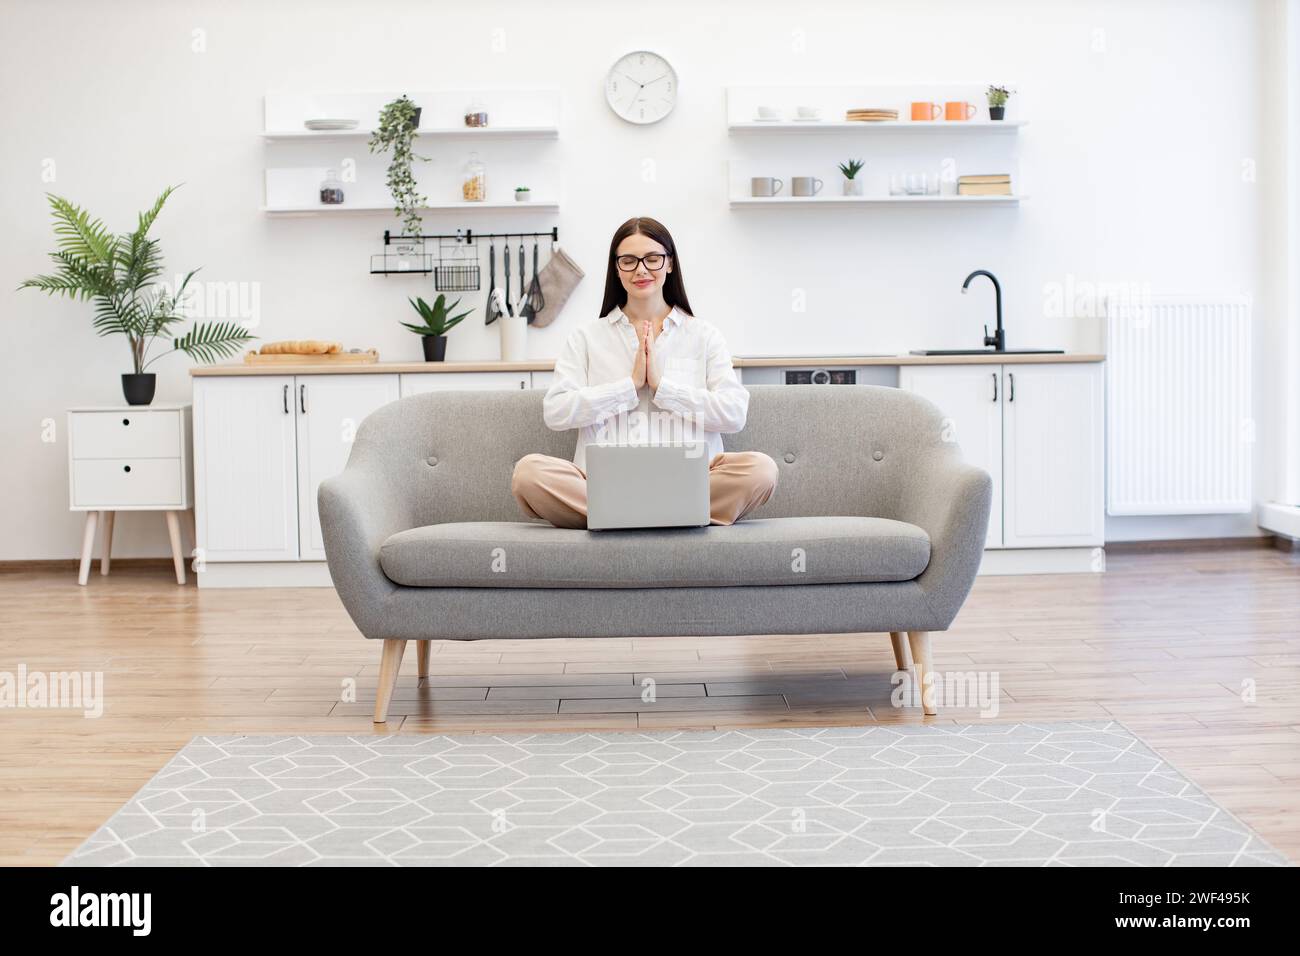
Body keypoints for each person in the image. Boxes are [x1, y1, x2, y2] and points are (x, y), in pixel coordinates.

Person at [511, 216, 778, 530]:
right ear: (616, 268)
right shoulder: (586, 338)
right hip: (603, 484)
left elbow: (734, 414)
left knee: (761, 470)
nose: (641, 269)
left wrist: (664, 389)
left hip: (692, 480)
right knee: (528, 474)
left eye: (652, 258)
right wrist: (630, 386)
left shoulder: (704, 336)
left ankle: (622, 515)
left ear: (669, 264)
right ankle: (671, 514)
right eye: (628, 260)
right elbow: (556, 412)